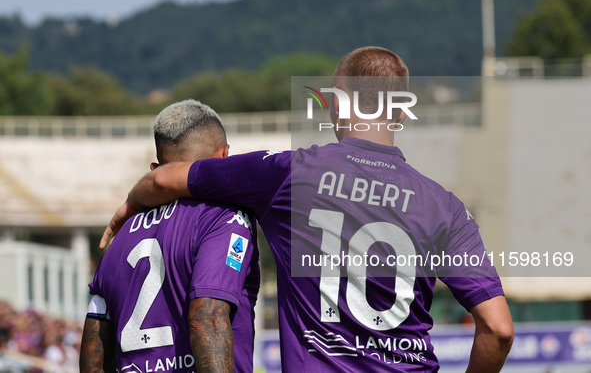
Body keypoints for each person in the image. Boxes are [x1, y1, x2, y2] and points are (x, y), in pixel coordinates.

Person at [100, 47, 514, 372]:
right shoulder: (444, 206)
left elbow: (164, 179)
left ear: (338, 103)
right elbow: (497, 330)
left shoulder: (289, 173)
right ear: (400, 111)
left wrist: (129, 206)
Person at [81, 100, 260, 373]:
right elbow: (208, 318)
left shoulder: (120, 238)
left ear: (155, 170)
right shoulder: (223, 217)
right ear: (224, 157)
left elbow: (95, 341)